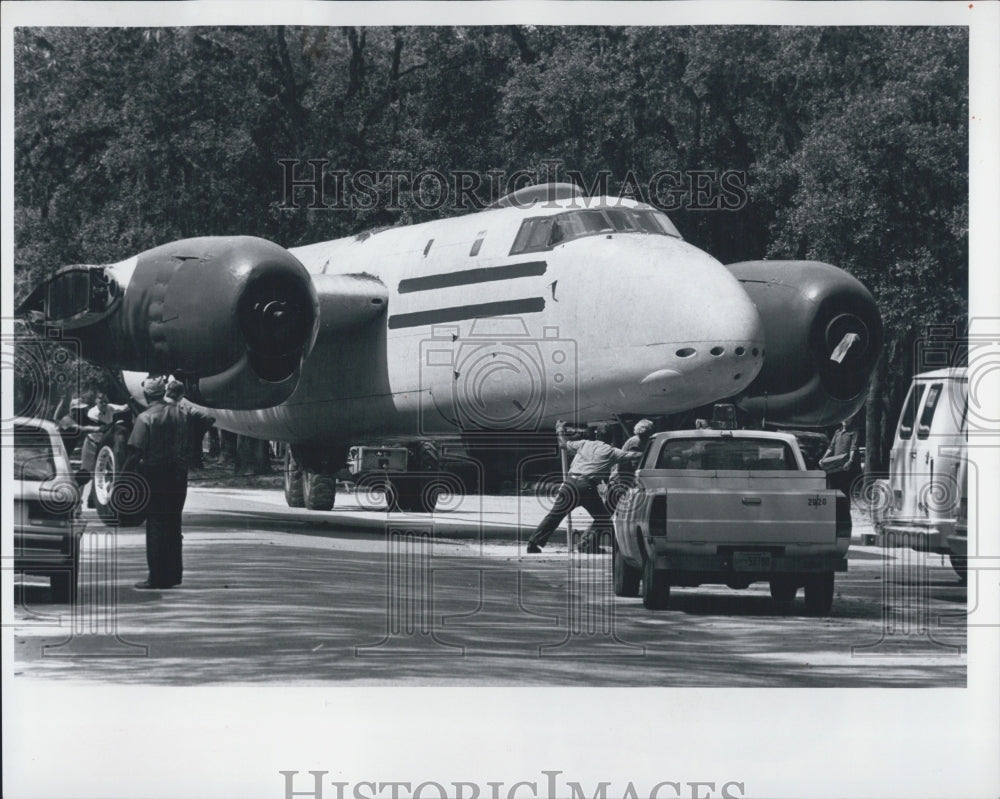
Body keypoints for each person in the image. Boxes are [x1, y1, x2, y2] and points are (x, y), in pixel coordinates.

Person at [527, 421, 641, 554]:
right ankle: (608, 548)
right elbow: (633, 455)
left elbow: (563, 444)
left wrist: (559, 430)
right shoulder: (612, 452)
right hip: (587, 488)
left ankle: (533, 543)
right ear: (611, 438)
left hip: (570, 484)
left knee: (554, 516)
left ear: (596, 435)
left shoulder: (584, 443)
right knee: (603, 519)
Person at [124, 376, 194, 590]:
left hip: (154, 476)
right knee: (173, 523)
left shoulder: (146, 418)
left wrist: (124, 476)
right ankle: (173, 574)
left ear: (146, 394)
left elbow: (135, 450)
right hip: (179, 476)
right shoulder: (181, 414)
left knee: (156, 524)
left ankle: (156, 577)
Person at [80, 390, 130, 507]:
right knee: (85, 472)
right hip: (91, 444)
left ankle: (92, 499)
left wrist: (131, 400)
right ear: (96, 402)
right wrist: (116, 424)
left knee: (101, 472)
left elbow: (124, 408)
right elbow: (102, 428)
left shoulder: (110, 408)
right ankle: (77, 501)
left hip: (102, 444)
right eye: (101, 402)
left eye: (106, 402)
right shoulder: (92, 413)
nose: (104, 405)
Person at [606, 419, 654, 513]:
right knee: (616, 508)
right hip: (622, 478)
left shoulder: (641, 440)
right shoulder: (636, 441)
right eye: (651, 429)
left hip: (624, 478)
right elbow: (633, 462)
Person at [165, 377, 215, 468]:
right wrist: (197, 434)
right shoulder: (185, 408)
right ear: (181, 395)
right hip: (183, 454)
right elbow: (208, 418)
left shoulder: (159, 406)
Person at [820, 418, 860, 495]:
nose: (846, 420)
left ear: (851, 420)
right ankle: (834, 506)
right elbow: (831, 447)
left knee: (845, 490)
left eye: (848, 418)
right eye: (844, 418)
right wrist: (823, 458)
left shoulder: (854, 431)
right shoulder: (837, 432)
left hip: (846, 466)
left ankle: (845, 506)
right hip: (835, 465)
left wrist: (850, 461)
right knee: (833, 489)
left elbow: (853, 447)